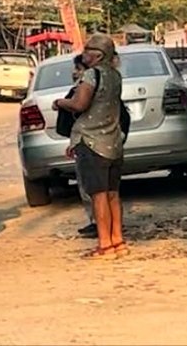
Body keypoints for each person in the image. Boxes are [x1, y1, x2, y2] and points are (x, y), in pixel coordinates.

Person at [53, 34, 126, 259]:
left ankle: (104, 245)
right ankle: (118, 241)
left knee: (98, 195)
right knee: (113, 194)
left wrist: (60, 103)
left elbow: (80, 104)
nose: (83, 55)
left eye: (86, 51)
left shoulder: (91, 75)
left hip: (92, 142)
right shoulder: (115, 76)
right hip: (113, 141)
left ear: (97, 55)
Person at [66, 55, 97, 237]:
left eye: (78, 68)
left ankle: (101, 225)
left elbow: (78, 111)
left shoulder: (85, 91)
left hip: (90, 143)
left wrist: (61, 103)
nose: (75, 72)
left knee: (91, 187)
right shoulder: (108, 84)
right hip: (89, 142)